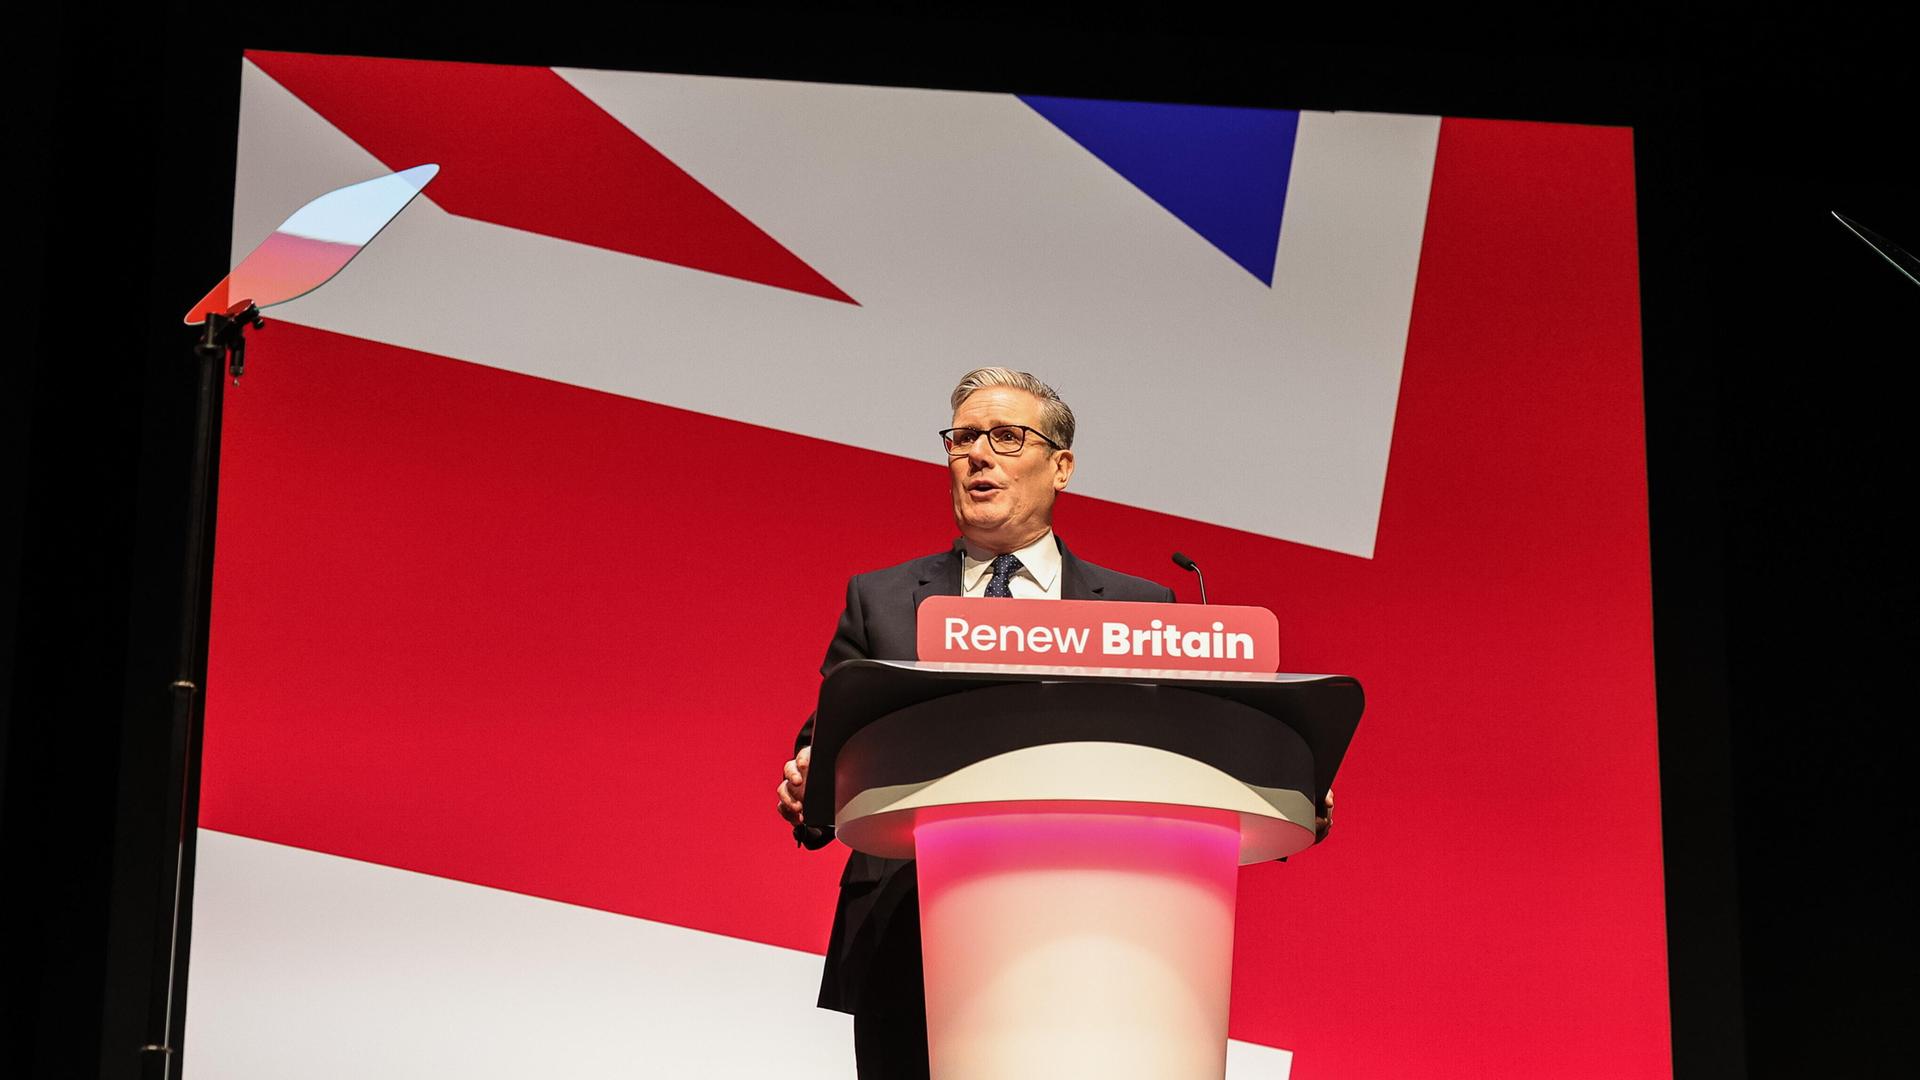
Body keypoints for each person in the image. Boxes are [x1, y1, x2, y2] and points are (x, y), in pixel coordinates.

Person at [773, 367, 1330, 1079]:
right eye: (963, 437)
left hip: (1104, 933)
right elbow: (829, 742)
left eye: (1007, 437)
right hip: (909, 933)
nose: (977, 455)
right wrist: (811, 781)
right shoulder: (881, 599)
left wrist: (1279, 777)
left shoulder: (1139, 609)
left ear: (1061, 466)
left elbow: (1191, 750)